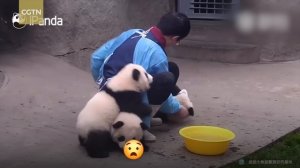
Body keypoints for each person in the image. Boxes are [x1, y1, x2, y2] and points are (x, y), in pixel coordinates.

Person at [90, 12, 192, 142]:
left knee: (171, 68)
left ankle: (139, 116)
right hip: (126, 104)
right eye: (178, 41)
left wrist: (102, 85)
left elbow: (96, 58)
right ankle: (140, 127)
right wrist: (178, 110)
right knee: (167, 79)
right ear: (175, 38)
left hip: (107, 93)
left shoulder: (131, 33)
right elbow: (162, 92)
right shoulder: (157, 54)